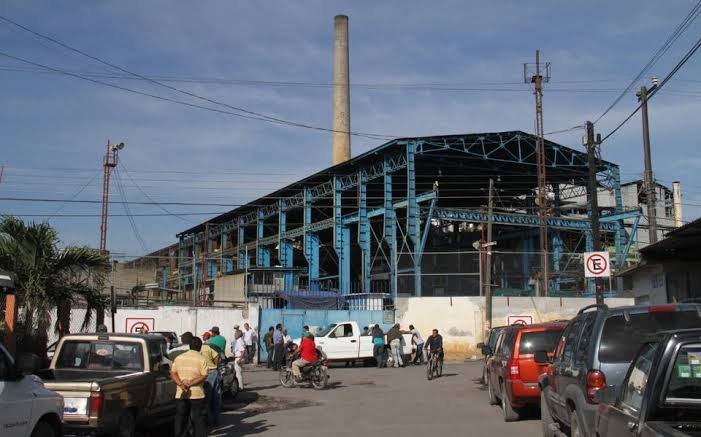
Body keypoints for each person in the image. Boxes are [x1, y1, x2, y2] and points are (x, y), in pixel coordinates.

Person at [171, 337, 208, 437]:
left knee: (181, 418)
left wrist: (181, 384)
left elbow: (173, 373)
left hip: (181, 393)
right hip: (197, 394)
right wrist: (191, 384)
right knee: (198, 418)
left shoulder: (179, 358)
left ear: (189, 346)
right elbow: (204, 375)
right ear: (200, 347)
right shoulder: (201, 359)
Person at [200, 340, 221, 426]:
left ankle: (207, 419)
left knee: (205, 398)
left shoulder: (194, 350)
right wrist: (216, 366)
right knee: (215, 397)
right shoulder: (207, 348)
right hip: (212, 372)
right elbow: (217, 356)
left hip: (202, 373)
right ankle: (215, 419)